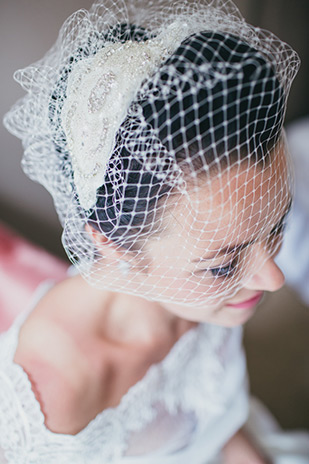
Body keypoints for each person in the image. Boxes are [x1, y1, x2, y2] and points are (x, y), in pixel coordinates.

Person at [1, 0, 309, 463]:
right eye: (224, 264)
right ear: (112, 244)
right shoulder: (50, 410)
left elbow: (218, 418)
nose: (273, 278)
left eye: (277, 224)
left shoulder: (207, 288)